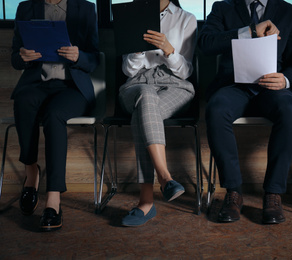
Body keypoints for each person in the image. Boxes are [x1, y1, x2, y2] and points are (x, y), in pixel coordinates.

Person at [198, 0, 292, 224]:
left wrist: (285, 79)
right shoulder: (222, 8)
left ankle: (273, 194)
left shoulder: (291, 12)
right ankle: (233, 192)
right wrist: (249, 31)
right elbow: (206, 43)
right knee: (216, 109)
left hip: (272, 86)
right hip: (233, 86)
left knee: (289, 109)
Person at [11, 0, 99, 231]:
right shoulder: (26, 8)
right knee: (22, 101)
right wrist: (23, 56)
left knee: (54, 115)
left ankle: (53, 199)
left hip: (72, 87)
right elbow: (14, 58)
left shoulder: (86, 8)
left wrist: (79, 56)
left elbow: (95, 59)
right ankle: (31, 174)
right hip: (36, 83)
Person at [118, 0, 197, 227]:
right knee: (146, 95)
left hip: (175, 86)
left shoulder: (186, 18)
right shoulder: (131, 15)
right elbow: (127, 70)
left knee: (142, 112)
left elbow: (186, 71)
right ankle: (165, 177)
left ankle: (146, 202)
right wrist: (138, 49)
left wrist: (169, 50)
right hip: (136, 84)